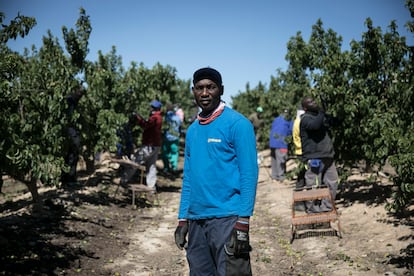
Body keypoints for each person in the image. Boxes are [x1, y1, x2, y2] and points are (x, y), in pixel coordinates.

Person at [174, 67, 259, 275]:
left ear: (220, 90)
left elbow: (249, 174)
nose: (205, 93)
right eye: (199, 88)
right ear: (193, 91)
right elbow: (189, 179)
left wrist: (243, 222)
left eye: (210, 87)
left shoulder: (238, 125)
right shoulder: (193, 130)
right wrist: (183, 218)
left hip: (227, 219)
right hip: (197, 221)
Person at [300, 96, 338, 213]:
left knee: (332, 182)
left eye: (314, 100)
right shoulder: (305, 119)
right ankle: (312, 209)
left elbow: (334, 122)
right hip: (315, 158)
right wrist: (322, 112)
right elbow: (315, 126)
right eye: (310, 102)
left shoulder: (320, 117)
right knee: (314, 184)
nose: (314, 103)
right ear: (305, 108)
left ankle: (327, 207)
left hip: (327, 156)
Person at [125, 100, 163, 193]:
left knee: (135, 162)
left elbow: (145, 125)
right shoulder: (159, 117)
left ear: (155, 108)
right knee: (151, 166)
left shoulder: (155, 117)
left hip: (149, 145)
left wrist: (138, 118)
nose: (150, 109)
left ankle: (124, 180)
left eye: (152, 107)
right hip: (155, 145)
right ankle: (151, 187)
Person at [61, 85, 84, 185]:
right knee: (71, 156)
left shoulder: (72, 100)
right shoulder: (70, 101)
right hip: (71, 132)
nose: (80, 95)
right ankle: (68, 179)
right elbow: (70, 118)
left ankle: (69, 178)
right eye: (79, 93)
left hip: (72, 132)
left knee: (71, 156)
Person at [269, 109, 293, 182]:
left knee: (274, 159)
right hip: (282, 142)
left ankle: (274, 176)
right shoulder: (289, 120)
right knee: (281, 159)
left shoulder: (276, 119)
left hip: (272, 142)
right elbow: (291, 131)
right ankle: (281, 176)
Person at [162, 103, 182, 176]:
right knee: (174, 152)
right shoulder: (177, 117)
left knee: (165, 153)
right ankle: (174, 167)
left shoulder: (165, 117)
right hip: (175, 137)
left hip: (166, 138)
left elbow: (163, 128)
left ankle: (166, 168)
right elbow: (180, 126)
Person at [292, 107, 306, 190]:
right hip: (302, 151)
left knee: (302, 174)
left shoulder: (296, 122)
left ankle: (299, 190)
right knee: (303, 174)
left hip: (299, 150)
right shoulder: (299, 123)